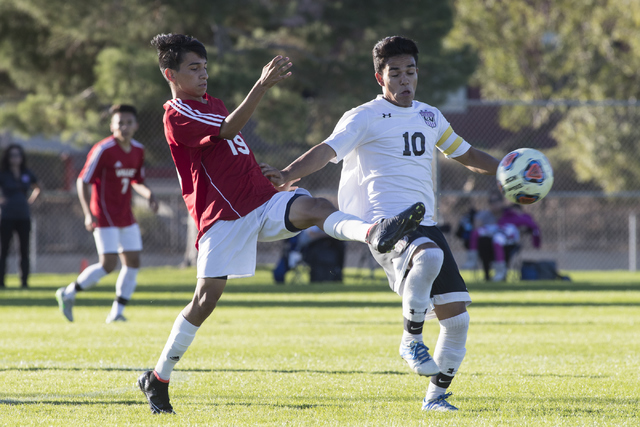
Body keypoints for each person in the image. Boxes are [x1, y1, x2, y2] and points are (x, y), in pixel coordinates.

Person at [137, 33, 424, 415]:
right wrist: (261, 85)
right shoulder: (176, 113)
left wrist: (278, 178)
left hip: (261, 201)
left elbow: (232, 153)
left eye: (205, 66)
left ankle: (374, 233)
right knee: (205, 301)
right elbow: (226, 132)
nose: (203, 74)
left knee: (318, 206)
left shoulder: (213, 103)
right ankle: (158, 377)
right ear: (170, 74)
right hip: (222, 218)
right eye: (194, 68)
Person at [261, 36, 500, 411]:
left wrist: (504, 170)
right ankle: (410, 339)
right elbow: (327, 150)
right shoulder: (364, 116)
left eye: (411, 71)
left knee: (457, 322)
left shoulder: (429, 115)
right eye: (396, 73)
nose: (405, 79)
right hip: (385, 226)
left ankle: (436, 399)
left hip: (427, 224)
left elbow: (466, 154)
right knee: (428, 257)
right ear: (379, 77)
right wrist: (289, 173)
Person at [55, 104, 158, 323]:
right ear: (112, 125)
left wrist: (149, 194)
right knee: (108, 264)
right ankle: (69, 292)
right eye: (120, 123)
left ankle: (116, 312)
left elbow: (136, 181)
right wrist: (87, 213)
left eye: (129, 122)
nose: (125, 127)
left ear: (136, 125)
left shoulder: (138, 150)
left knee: (133, 262)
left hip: (125, 214)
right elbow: (83, 180)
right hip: (103, 214)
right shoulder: (103, 149)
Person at [462, 193, 541, 281]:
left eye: (496, 201)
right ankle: (472, 260)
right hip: (494, 236)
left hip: (508, 238)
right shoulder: (494, 214)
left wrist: (534, 239)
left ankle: (501, 272)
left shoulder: (517, 215)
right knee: (479, 236)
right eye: (491, 202)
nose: (494, 204)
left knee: (497, 241)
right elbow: (478, 226)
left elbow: (531, 227)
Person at [0, 144, 40, 288]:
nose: (15, 158)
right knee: (4, 249)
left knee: (24, 250)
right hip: (7, 216)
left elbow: (38, 187)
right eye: (12, 155)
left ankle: (24, 282)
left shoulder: (26, 173)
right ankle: (1, 282)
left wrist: (30, 201)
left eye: (18, 155)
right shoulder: (3, 174)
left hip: (23, 216)